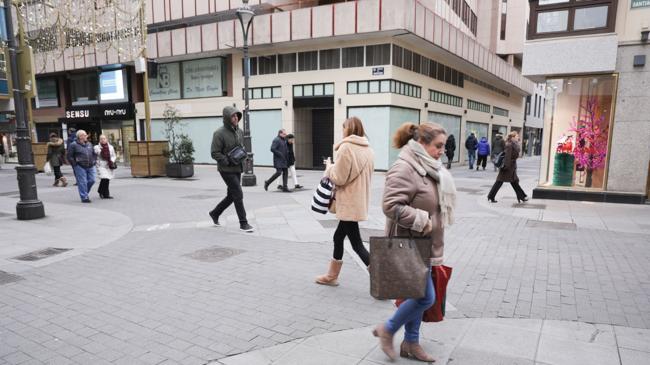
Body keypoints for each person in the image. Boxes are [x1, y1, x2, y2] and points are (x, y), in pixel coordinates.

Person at [373, 122, 456, 362]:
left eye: (443, 146)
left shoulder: (430, 167)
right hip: (409, 243)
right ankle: (387, 329)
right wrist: (423, 220)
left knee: (416, 293)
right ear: (421, 143)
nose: (442, 150)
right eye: (438, 146)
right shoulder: (405, 168)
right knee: (425, 297)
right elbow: (390, 206)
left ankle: (411, 342)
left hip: (425, 244)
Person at [315, 116, 374, 286]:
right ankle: (332, 276)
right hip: (359, 201)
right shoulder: (369, 149)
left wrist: (329, 168)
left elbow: (339, 178)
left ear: (348, 129)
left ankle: (381, 276)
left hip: (348, 203)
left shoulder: (346, 147)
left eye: (343, 128)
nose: (342, 131)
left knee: (356, 244)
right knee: (338, 236)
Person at [209, 106, 254, 232]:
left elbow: (240, 147)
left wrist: (244, 157)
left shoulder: (239, 131)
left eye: (237, 116)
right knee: (238, 194)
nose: (236, 118)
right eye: (233, 116)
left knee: (232, 195)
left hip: (237, 167)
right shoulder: (219, 133)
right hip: (226, 169)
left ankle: (215, 213)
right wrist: (226, 161)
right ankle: (243, 223)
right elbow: (214, 153)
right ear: (227, 118)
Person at [487, 131, 528, 203]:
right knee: (500, 182)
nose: (518, 137)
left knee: (513, 182)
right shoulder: (509, 145)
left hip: (511, 167)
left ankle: (521, 196)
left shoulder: (514, 144)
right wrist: (505, 167)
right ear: (512, 137)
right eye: (517, 136)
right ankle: (491, 196)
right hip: (507, 168)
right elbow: (507, 157)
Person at [66, 130, 96, 203]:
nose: (86, 136)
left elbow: (93, 153)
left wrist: (94, 161)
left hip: (90, 165)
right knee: (82, 182)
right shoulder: (73, 145)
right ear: (80, 136)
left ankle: (85, 192)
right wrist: (75, 164)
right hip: (80, 166)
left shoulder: (89, 144)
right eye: (85, 135)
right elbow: (69, 156)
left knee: (92, 180)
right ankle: (84, 197)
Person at [94, 135, 116, 199]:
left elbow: (114, 155)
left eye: (104, 138)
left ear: (106, 139)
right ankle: (102, 192)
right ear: (99, 140)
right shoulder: (96, 147)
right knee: (104, 178)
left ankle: (105, 194)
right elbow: (96, 155)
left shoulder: (111, 147)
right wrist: (100, 150)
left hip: (109, 164)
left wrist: (112, 161)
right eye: (101, 139)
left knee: (107, 179)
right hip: (101, 165)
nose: (103, 140)